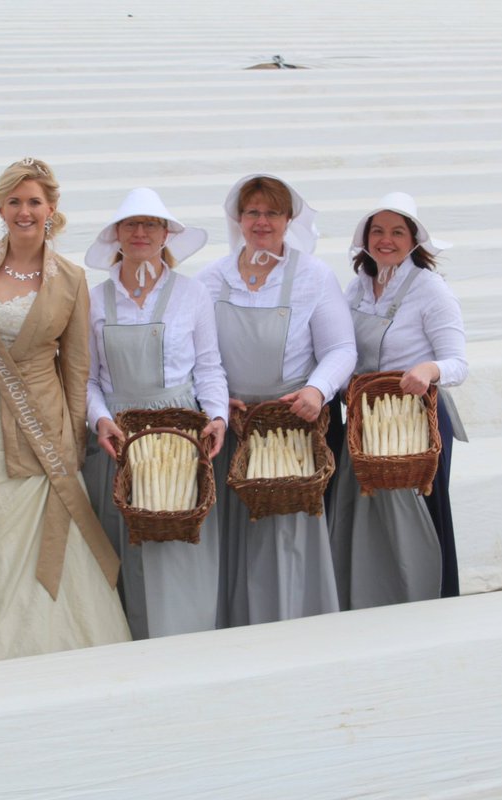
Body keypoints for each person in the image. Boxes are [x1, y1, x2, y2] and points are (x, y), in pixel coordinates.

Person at [0, 157, 131, 664]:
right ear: (0, 208)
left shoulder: (70, 278)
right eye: (14, 201)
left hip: (39, 429)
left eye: (33, 202)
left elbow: (76, 367)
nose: (24, 211)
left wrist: (71, 440)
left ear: (51, 209)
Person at [198, 174, 356, 626]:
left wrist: (317, 390)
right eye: (253, 212)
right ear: (238, 219)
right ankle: (233, 624)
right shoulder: (210, 279)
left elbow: (341, 349)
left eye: (272, 212)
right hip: (232, 427)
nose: (262, 222)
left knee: (285, 530)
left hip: (288, 430)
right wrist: (215, 403)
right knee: (234, 529)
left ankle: (294, 619)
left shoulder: (313, 276)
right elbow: (198, 355)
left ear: (289, 220)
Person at [82, 187, 228, 639]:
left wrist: (217, 416)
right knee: (126, 540)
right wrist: (99, 419)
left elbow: (209, 367)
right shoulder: (94, 300)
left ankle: (187, 637)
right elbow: (85, 378)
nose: (141, 232)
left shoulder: (192, 293)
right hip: (118, 438)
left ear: (166, 234)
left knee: (178, 534)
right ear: (117, 235)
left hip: (177, 435)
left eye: (151, 224)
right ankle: (133, 639)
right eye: (131, 224)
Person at [328, 192, 468, 609]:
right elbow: (341, 348)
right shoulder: (357, 287)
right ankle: (368, 600)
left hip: (415, 423)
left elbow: (458, 363)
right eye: (377, 231)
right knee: (364, 513)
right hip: (366, 419)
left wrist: (428, 370)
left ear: (413, 240)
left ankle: (425, 599)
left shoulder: (431, 290)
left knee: (413, 515)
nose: (385, 240)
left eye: (396, 232)